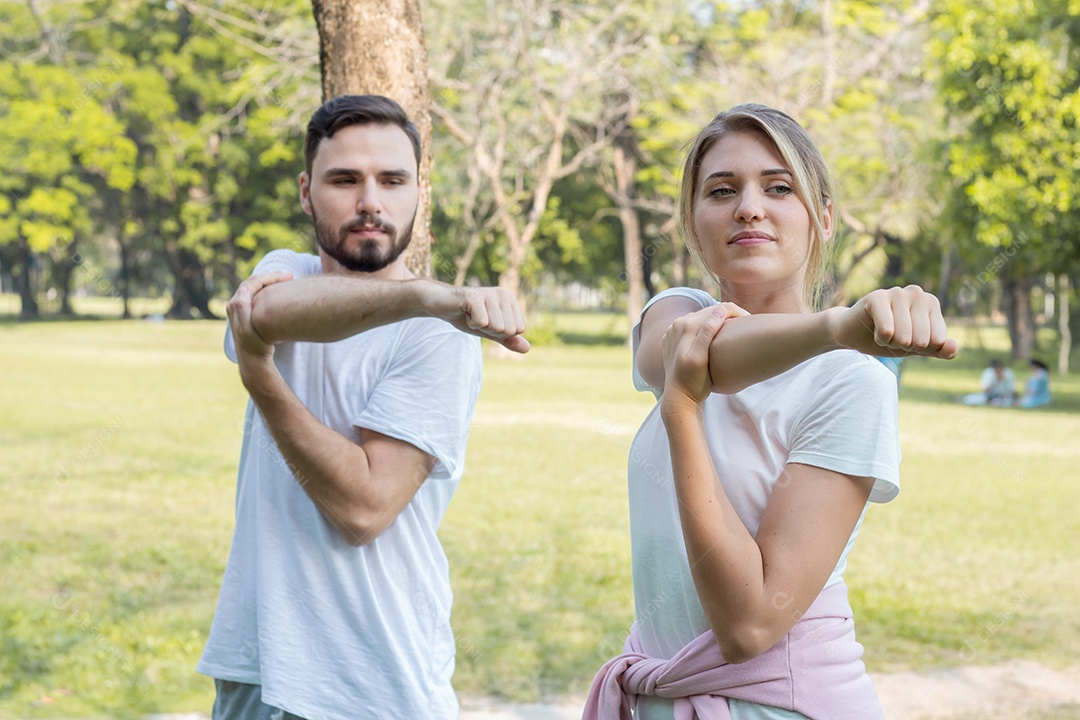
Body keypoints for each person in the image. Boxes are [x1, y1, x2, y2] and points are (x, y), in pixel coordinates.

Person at [583, 104, 957, 720]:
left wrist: (682, 411)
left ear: (825, 219)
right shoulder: (672, 314)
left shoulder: (849, 380)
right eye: (721, 191)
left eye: (779, 188)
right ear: (692, 221)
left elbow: (749, 625)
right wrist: (839, 325)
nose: (749, 207)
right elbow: (702, 355)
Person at [196, 95, 528, 720]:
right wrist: (425, 294)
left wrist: (260, 375)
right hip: (255, 669)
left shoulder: (439, 335)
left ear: (417, 193)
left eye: (392, 181)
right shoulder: (285, 273)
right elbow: (262, 317)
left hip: (373, 681)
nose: (370, 201)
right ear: (305, 191)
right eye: (344, 180)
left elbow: (363, 508)